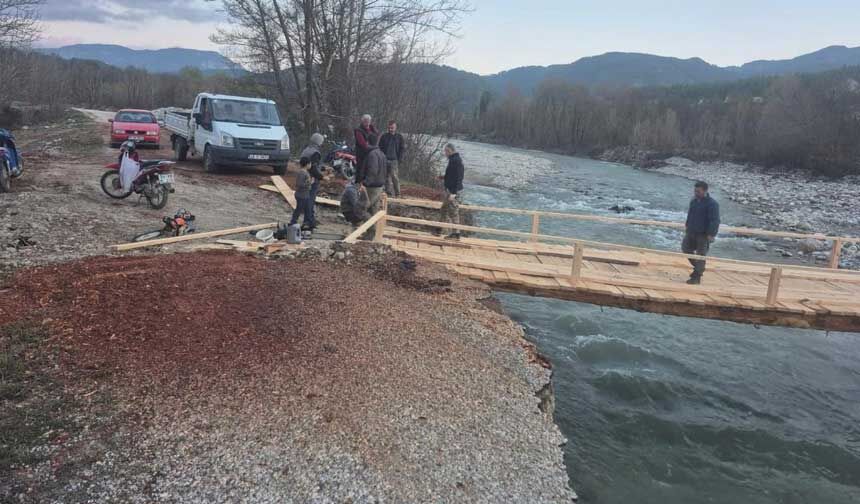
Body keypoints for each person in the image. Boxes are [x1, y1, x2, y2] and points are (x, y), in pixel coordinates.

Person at [682, 181, 720, 284]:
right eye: (695, 191)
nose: (696, 193)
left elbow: (715, 220)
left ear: (705, 191)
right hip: (691, 230)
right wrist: (687, 225)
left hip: (703, 234)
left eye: (698, 191)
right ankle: (699, 267)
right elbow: (690, 214)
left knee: (701, 254)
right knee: (685, 248)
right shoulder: (694, 201)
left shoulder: (712, 204)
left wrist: (711, 234)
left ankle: (697, 276)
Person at [438, 143, 464, 239]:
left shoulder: (457, 161)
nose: (445, 153)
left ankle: (456, 233)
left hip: (453, 191)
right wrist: (443, 177)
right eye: (445, 151)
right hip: (449, 190)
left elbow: (459, 177)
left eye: (446, 151)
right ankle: (439, 229)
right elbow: (451, 175)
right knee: (444, 209)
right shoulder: (452, 160)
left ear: (451, 151)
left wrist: (454, 193)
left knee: (454, 212)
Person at [299, 133, 325, 231]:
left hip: (303, 177)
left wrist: (323, 168)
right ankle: (308, 222)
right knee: (310, 201)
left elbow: (311, 164)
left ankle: (311, 220)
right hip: (311, 179)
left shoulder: (306, 149)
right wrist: (322, 177)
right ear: (319, 142)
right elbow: (313, 168)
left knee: (308, 200)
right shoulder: (315, 153)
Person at [356, 140, 388, 214]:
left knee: (361, 208)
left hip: (371, 186)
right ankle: (372, 222)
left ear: (367, 142)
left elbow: (373, 171)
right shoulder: (382, 153)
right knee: (373, 210)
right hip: (379, 185)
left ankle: (358, 221)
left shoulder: (372, 154)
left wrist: (365, 183)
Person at [378, 120, 404, 197]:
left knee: (394, 177)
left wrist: (400, 159)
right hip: (385, 159)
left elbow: (402, 149)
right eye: (389, 128)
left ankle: (398, 194)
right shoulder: (384, 136)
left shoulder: (399, 137)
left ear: (395, 127)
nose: (390, 129)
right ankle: (388, 193)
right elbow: (380, 148)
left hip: (394, 160)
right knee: (386, 177)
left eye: (392, 128)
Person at [289, 157, 313, 227]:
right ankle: (292, 222)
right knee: (299, 209)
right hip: (301, 195)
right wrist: (310, 183)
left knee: (308, 209)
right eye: (310, 163)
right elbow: (299, 184)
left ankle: (308, 223)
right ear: (307, 164)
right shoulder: (302, 173)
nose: (311, 165)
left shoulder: (305, 172)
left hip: (305, 194)